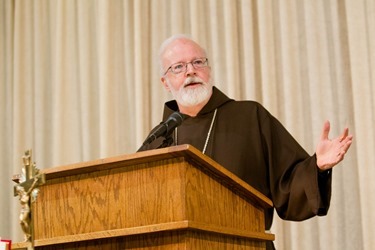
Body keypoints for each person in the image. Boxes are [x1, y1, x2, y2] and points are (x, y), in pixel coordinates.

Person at [139, 34, 353, 249]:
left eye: (197, 62)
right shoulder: (159, 139)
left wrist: (317, 166)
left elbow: (287, 179)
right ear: (165, 82)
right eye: (178, 67)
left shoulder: (249, 116)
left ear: (209, 70)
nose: (190, 71)